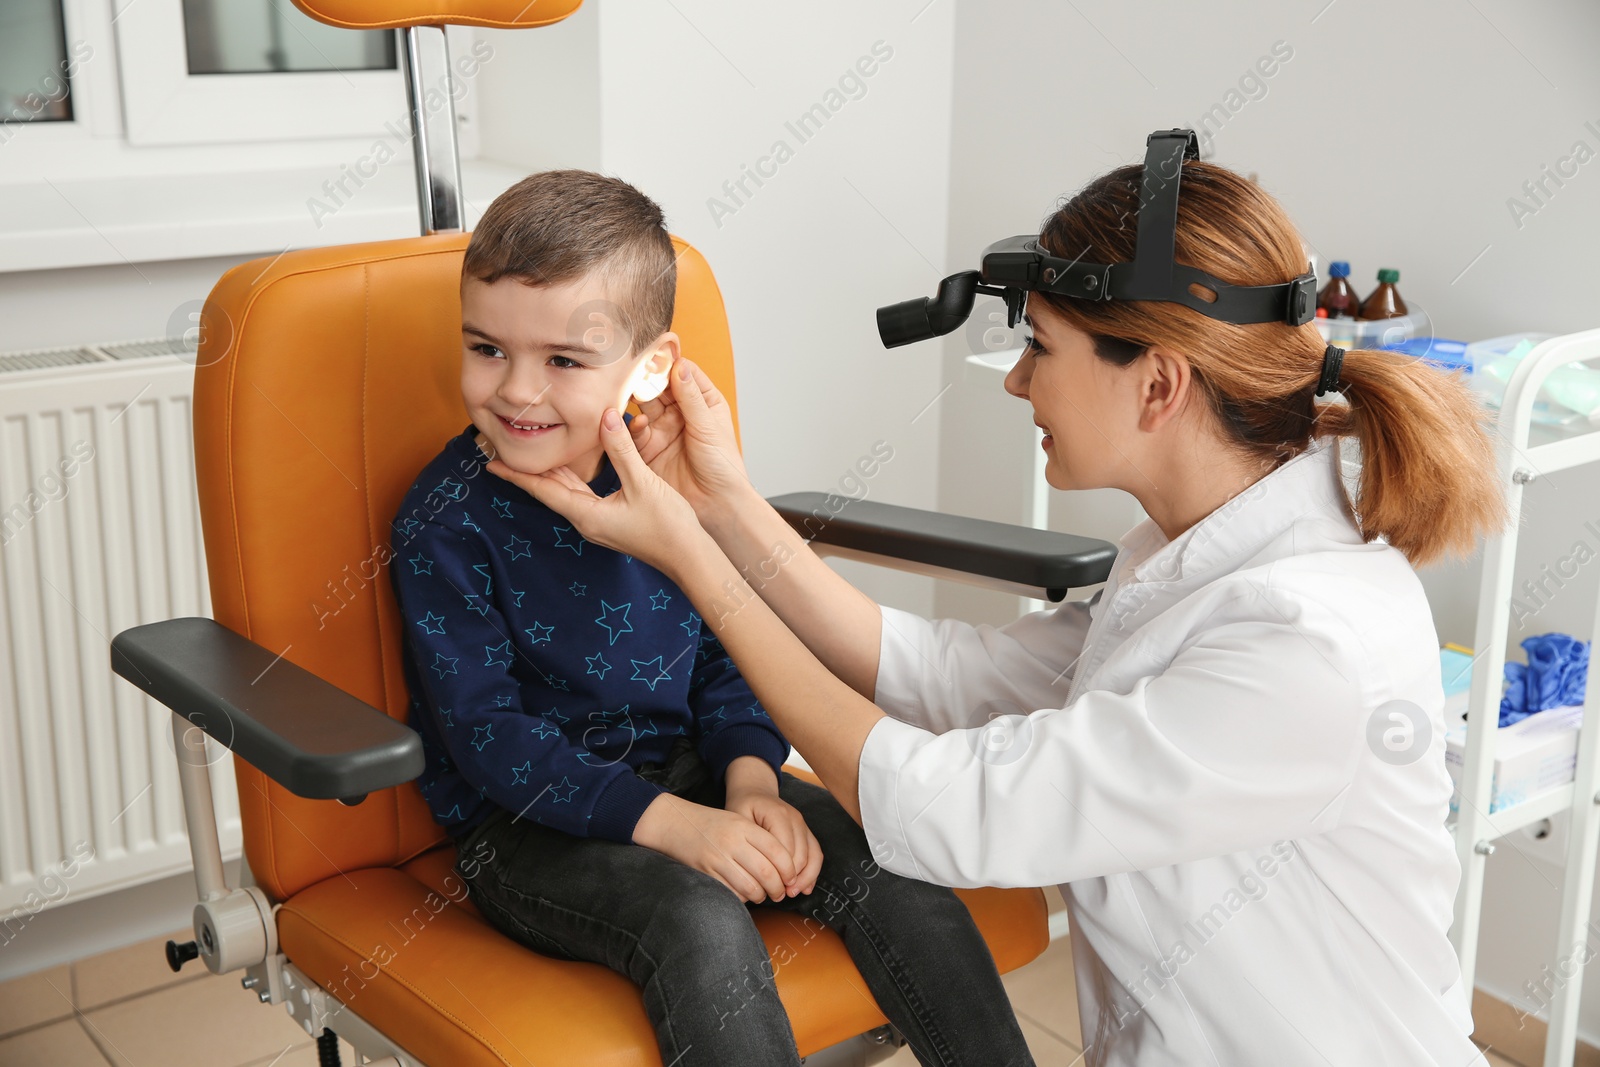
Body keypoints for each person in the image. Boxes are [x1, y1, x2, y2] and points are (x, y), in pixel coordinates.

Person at [489, 158, 1508, 1065]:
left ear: (1157, 384)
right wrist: (723, 503)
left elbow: (944, 809)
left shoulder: (1302, 641)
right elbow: (955, 678)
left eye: (1043, 348)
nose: (1017, 380)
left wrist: (692, 557)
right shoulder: (1198, 545)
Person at [388, 169, 1038, 1067]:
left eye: (564, 361)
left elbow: (731, 654)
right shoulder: (445, 520)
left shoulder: (668, 483)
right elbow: (487, 737)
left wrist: (751, 782)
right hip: (526, 826)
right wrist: (679, 827)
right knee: (700, 918)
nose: (517, 391)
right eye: (486, 348)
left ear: (650, 366)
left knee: (901, 869)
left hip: (695, 770)